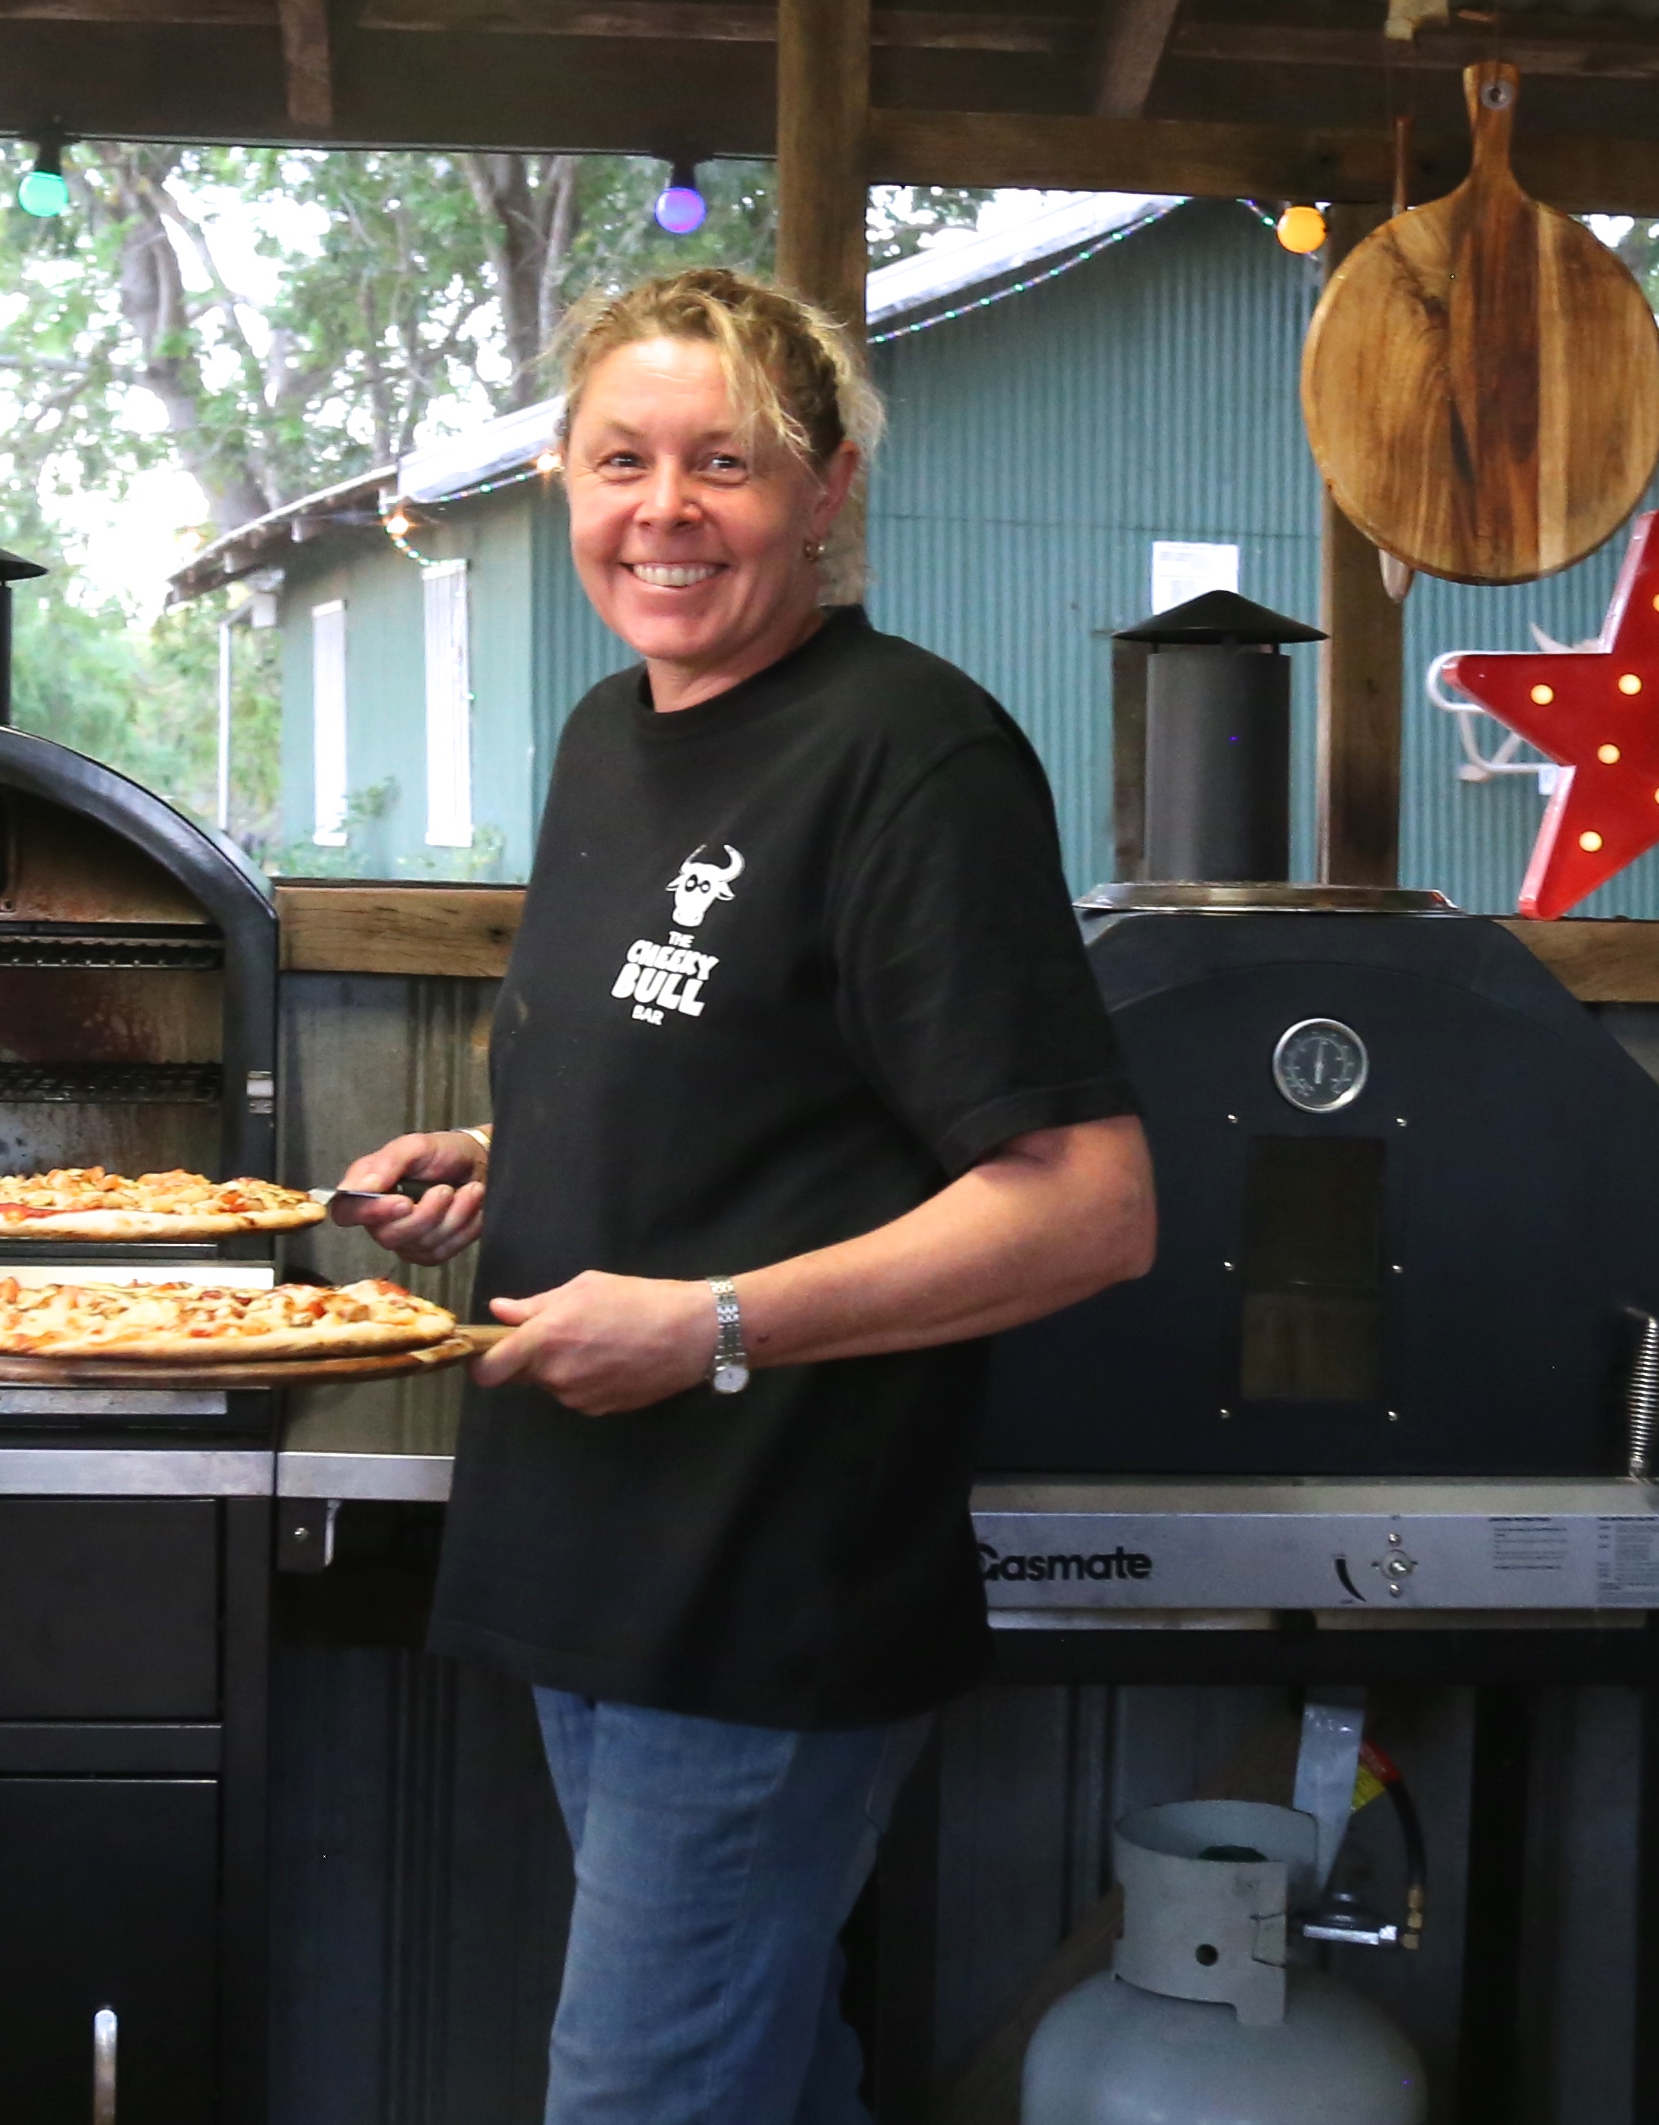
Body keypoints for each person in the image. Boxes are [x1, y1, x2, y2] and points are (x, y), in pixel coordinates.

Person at [336, 267, 1156, 2125]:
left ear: (828, 488)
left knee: (647, 2099)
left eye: (727, 461)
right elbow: (756, 1091)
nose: (665, 509)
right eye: (621, 457)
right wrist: (508, 1166)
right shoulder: (606, 737)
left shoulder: (908, 755)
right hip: (588, 1547)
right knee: (762, 2078)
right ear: (559, 476)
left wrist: (708, 1320)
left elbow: (1087, 1203)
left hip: (771, 1569)